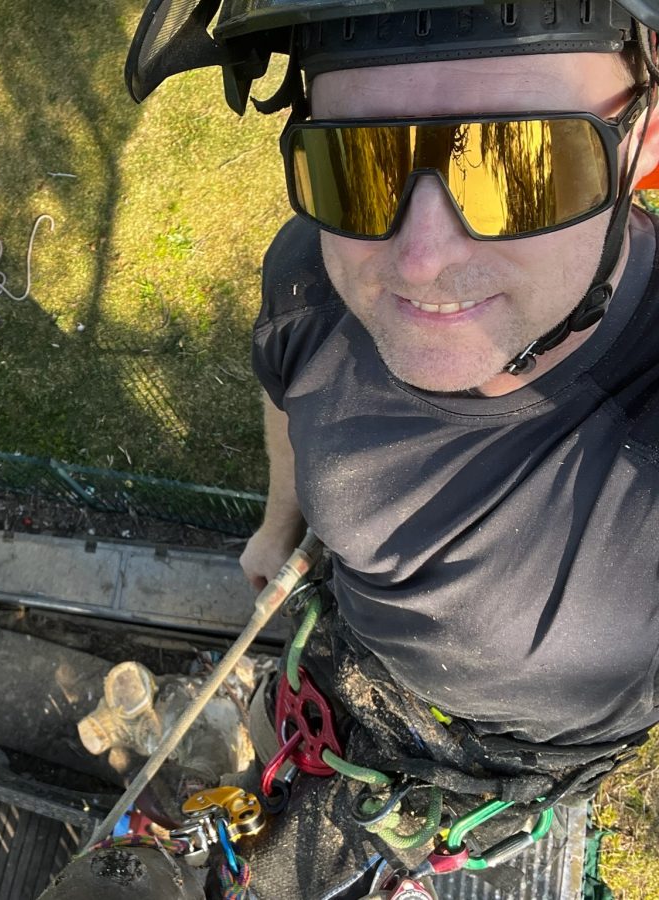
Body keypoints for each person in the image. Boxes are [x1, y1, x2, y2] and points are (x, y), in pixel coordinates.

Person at [121, 1, 659, 896]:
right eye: (355, 166)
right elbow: (287, 386)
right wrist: (284, 520)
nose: (416, 261)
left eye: (517, 170)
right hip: (348, 661)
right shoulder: (311, 280)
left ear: (641, 142)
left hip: (523, 760)